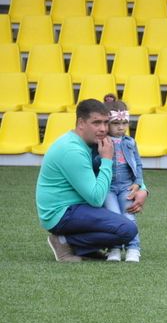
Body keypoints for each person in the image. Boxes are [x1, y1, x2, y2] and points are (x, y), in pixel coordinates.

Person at [36, 99, 144, 262]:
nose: (103, 128)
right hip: (62, 212)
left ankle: (84, 247)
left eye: (106, 123)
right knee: (127, 229)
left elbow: (124, 167)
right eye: (96, 123)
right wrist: (107, 159)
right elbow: (96, 198)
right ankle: (65, 242)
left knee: (120, 223)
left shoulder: (92, 141)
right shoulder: (72, 149)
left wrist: (142, 188)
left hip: (77, 205)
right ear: (81, 122)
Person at [98, 94, 147, 262]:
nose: (121, 128)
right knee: (113, 216)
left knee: (129, 215)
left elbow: (138, 164)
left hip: (127, 186)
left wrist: (138, 183)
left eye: (124, 123)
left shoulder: (130, 142)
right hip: (108, 187)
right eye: (116, 123)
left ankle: (134, 248)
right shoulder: (102, 142)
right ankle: (115, 248)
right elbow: (96, 164)